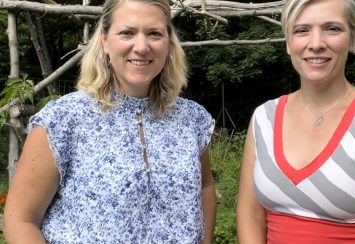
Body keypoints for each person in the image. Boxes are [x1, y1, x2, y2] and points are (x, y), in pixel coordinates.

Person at [3, 0, 217, 243]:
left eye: (154, 33)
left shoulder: (192, 120)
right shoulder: (63, 120)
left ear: (168, 42)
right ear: (105, 40)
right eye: (127, 32)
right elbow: (21, 218)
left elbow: (205, 188)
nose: (142, 46)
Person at [237, 0, 355, 243]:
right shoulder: (264, 117)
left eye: (332, 28)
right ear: (288, 43)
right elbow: (251, 214)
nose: (316, 44)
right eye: (302, 30)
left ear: (353, 38)